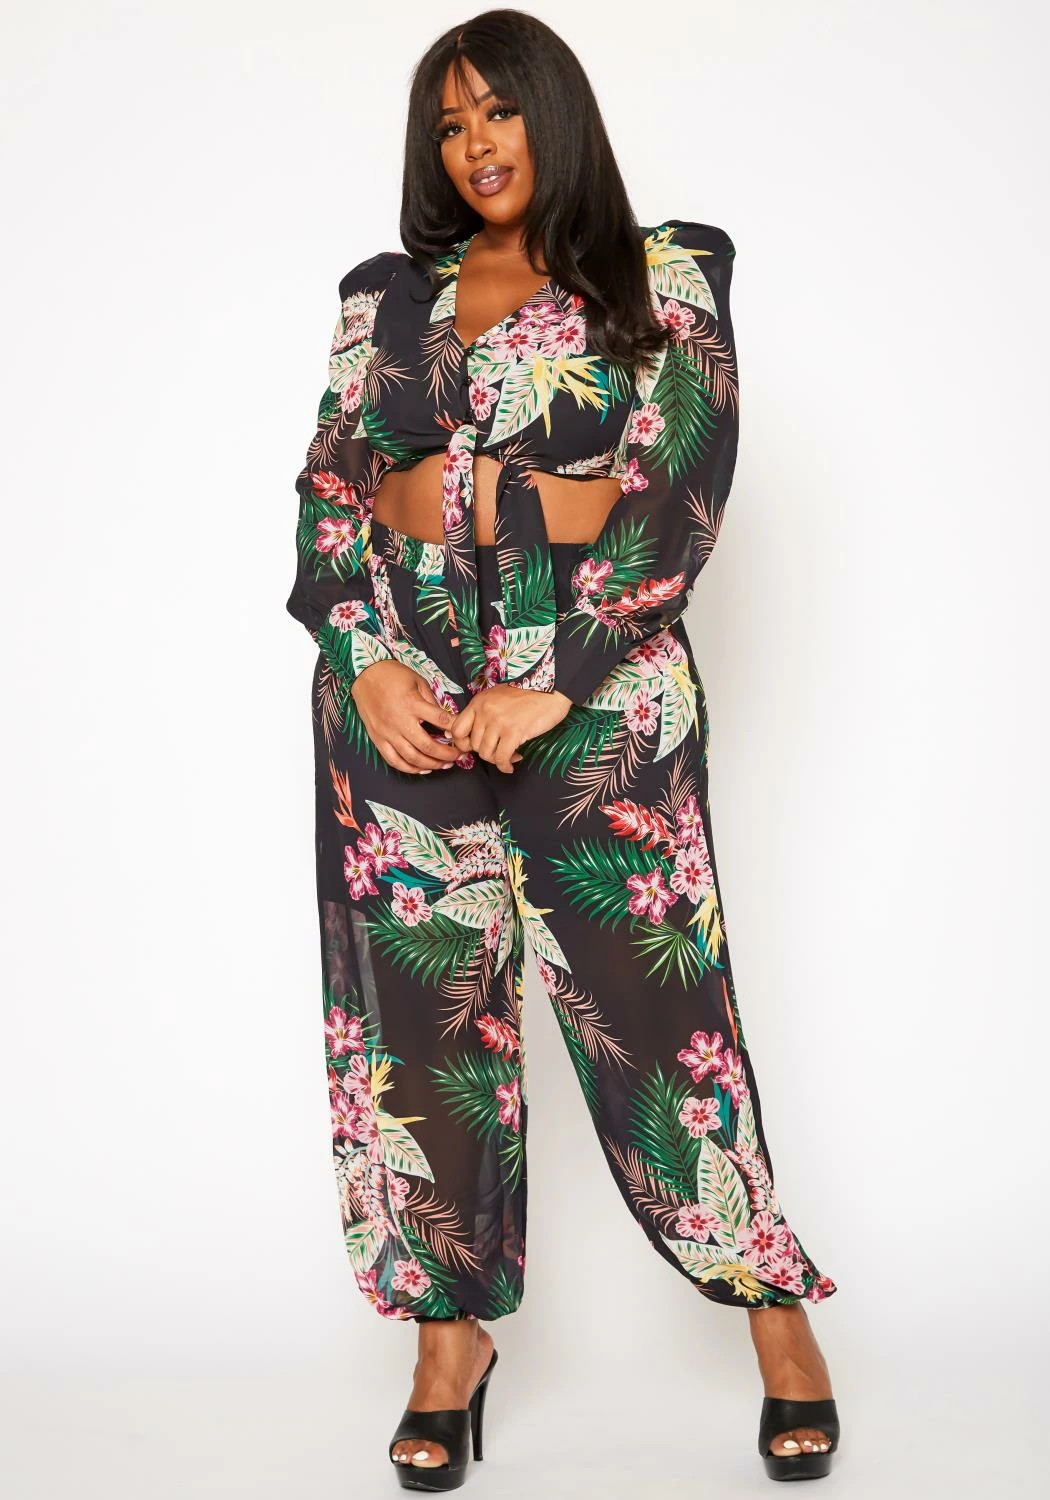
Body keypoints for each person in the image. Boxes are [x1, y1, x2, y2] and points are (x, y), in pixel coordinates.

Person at [286, 9, 841, 1489]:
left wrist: (560, 678)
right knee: (423, 1031)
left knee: (659, 1013)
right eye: (449, 124)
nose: (475, 145)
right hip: (399, 694)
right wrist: (363, 657)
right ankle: (448, 1346)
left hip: (595, 699)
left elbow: (682, 481)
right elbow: (332, 485)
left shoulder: (662, 272)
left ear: (555, 114)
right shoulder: (383, 298)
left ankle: (776, 1314)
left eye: (498, 112)